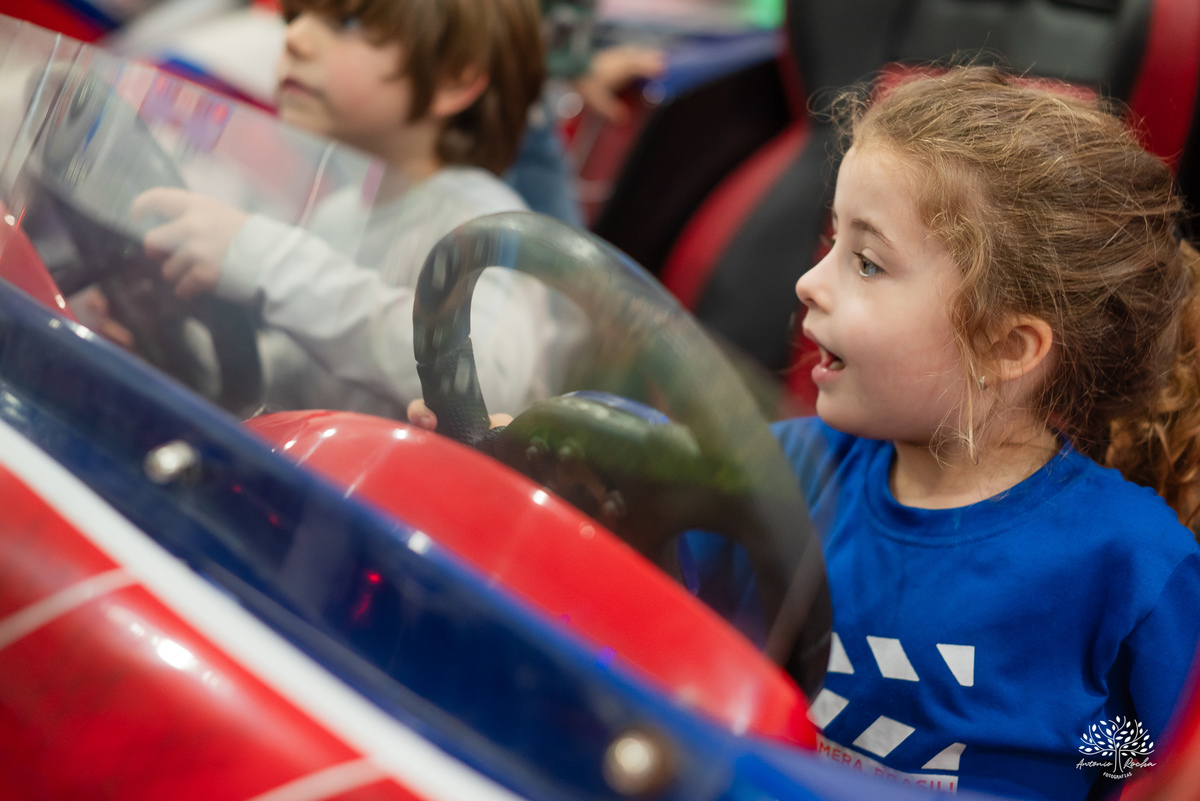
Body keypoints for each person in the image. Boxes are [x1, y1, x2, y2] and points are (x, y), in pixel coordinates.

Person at [712, 66, 1200, 798]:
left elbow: (1142, 767)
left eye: (867, 262)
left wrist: (1083, 754)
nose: (809, 282)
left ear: (1008, 348)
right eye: (831, 241)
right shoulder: (787, 477)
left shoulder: (1126, 567)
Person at [132, 0, 582, 418]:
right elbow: (303, 380)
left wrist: (269, 260)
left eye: (347, 23)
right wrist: (171, 342)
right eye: (295, 16)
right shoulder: (340, 215)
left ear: (454, 79)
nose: (295, 39)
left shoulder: (485, 224)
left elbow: (485, 383)